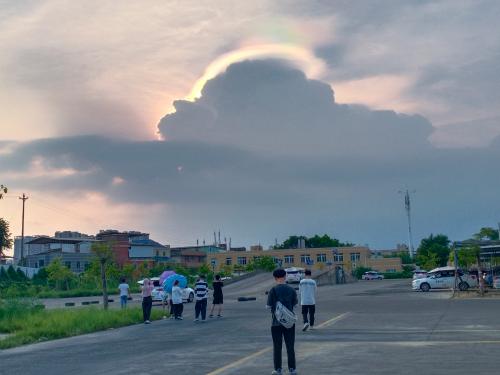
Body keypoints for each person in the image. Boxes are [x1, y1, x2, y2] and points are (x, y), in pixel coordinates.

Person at [267, 268, 298, 375]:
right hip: (289, 323)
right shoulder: (291, 290)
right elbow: (295, 305)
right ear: (285, 276)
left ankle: (278, 369)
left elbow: (268, 306)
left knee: (277, 346)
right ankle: (292, 369)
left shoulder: (273, 290)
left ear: (275, 278)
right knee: (290, 346)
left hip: (276, 323)